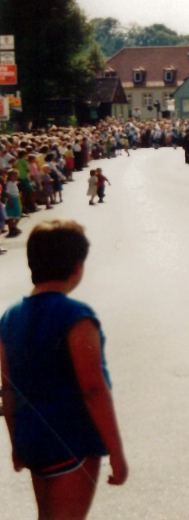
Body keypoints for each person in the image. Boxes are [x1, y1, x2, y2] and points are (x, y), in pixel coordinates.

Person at [0, 221, 129, 520]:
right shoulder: (76, 317)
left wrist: (16, 443)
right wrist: (117, 453)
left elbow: (8, 389)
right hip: (73, 440)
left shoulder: (9, 317)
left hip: (33, 440)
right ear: (77, 266)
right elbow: (93, 389)